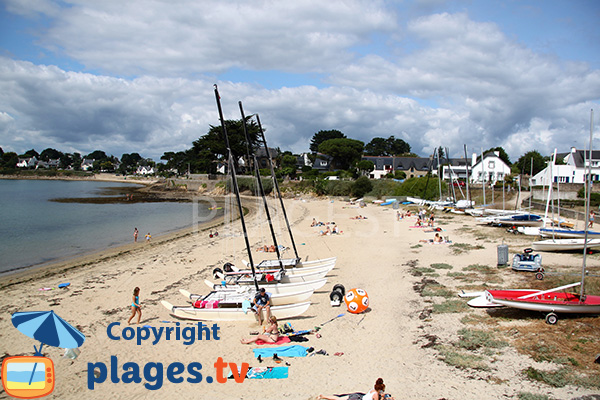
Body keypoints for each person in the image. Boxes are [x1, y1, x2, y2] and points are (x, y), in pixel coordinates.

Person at [318, 378, 393, 400]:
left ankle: (323, 396)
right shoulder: (376, 395)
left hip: (358, 396)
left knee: (338, 398)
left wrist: (386, 396)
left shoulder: (373, 389)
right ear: (380, 390)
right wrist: (383, 397)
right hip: (358, 399)